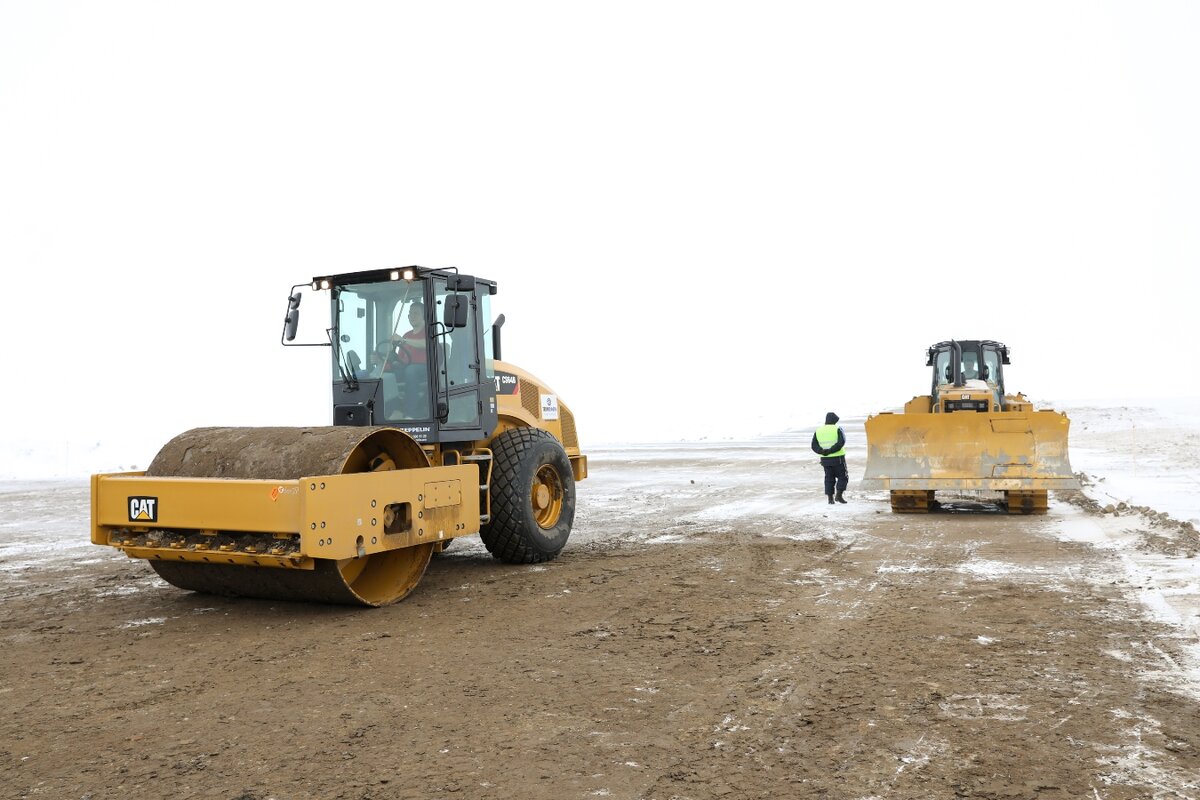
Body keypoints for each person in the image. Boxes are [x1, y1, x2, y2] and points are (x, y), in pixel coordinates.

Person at [811, 411, 848, 504]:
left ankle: (830, 499)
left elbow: (813, 445)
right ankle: (839, 495)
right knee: (843, 477)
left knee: (829, 478)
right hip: (838, 458)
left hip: (825, 459)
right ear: (835, 420)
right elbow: (841, 442)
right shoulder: (838, 428)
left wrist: (822, 451)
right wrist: (831, 450)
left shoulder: (818, 430)